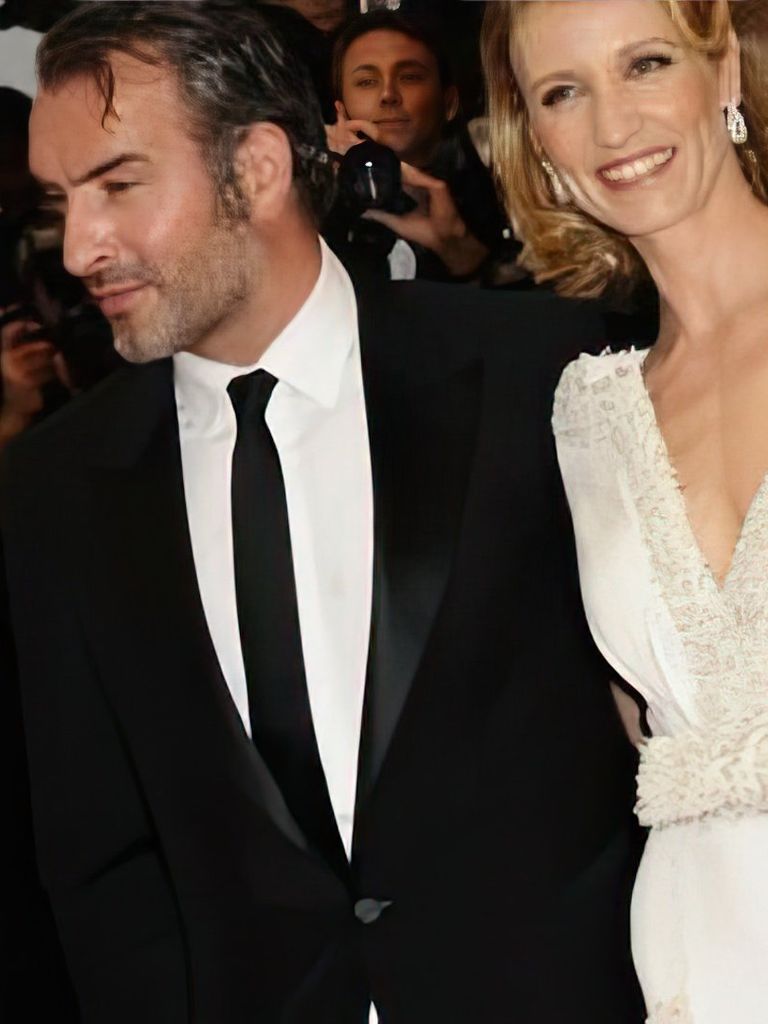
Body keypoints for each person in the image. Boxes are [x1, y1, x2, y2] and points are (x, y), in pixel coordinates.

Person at [2, 2, 643, 1021]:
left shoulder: (541, 373)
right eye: (60, 199)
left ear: (256, 167)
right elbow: (100, 858)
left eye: (118, 185)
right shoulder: (56, 485)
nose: (81, 247)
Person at [483, 0, 768, 1020]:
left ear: (724, 70)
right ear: (535, 139)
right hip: (699, 956)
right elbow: (641, 724)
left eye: (645, 63)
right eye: (564, 92)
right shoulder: (590, 416)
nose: (612, 125)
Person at [324, 10, 514, 283]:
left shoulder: (504, 194)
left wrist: (460, 250)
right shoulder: (317, 202)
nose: (388, 95)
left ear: (449, 104)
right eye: (367, 81)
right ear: (341, 111)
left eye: (409, 77)